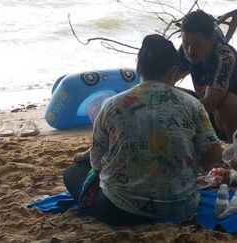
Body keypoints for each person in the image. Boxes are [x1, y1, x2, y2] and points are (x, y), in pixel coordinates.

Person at [63, 35, 223, 226]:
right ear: (173, 71)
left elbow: (97, 163)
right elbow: (213, 156)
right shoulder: (192, 104)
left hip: (121, 209)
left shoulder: (112, 105)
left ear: (139, 69)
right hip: (182, 206)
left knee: (73, 173)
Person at [177, 10, 237, 142]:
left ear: (211, 39)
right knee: (168, 94)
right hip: (207, 115)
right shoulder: (187, 50)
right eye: (185, 44)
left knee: (226, 103)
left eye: (197, 45)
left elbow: (210, 104)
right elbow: (165, 81)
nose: (190, 51)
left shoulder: (224, 57)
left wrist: (174, 111)